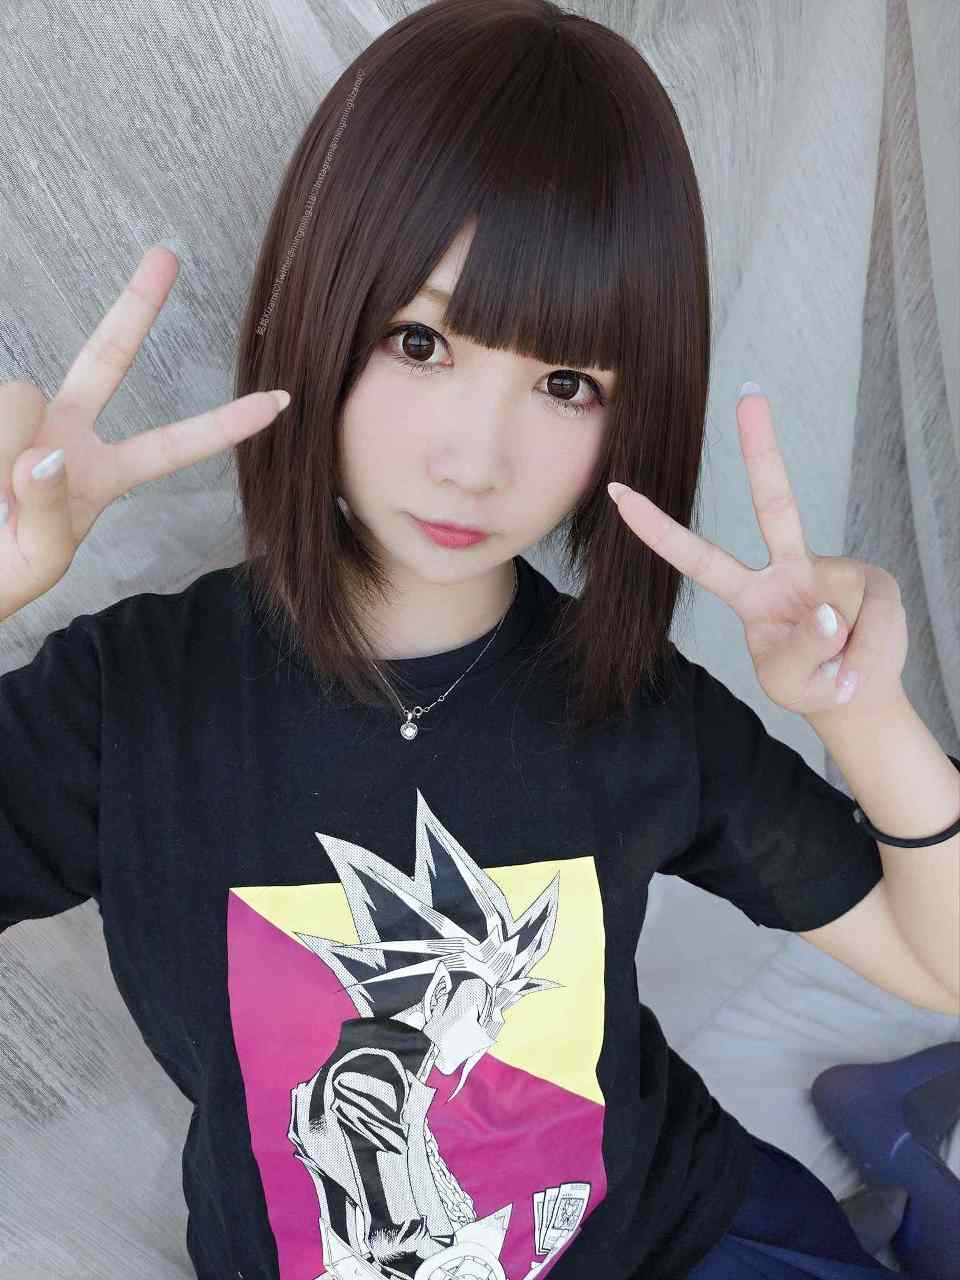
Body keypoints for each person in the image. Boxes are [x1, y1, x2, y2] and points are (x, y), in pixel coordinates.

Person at [2, 2, 956, 1278]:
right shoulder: (132, 704)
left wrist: (864, 709)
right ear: (311, 314)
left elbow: (935, 956)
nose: (477, 459)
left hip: (678, 1237)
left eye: (566, 383)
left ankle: (901, 1170)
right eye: (421, 341)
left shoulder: (630, 705)